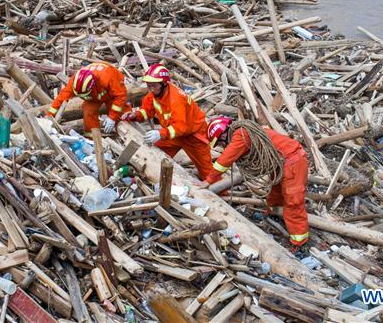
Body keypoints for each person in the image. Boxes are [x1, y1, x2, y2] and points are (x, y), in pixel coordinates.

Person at [207, 116, 310, 253]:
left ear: (224, 133)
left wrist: (208, 181)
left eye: (220, 142)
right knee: (276, 193)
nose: (222, 145)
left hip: (292, 161)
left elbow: (225, 160)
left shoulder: (241, 135)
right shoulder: (243, 131)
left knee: (293, 201)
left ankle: (300, 243)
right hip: (281, 162)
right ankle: (275, 215)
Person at [120, 63, 216, 182]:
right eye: (148, 86)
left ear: (164, 83)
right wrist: (134, 115)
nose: (151, 89)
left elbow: (181, 126)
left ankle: (221, 195)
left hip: (194, 136)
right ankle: (154, 179)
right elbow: (146, 110)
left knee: (208, 173)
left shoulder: (176, 98)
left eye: (154, 86)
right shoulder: (154, 94)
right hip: (173, 133)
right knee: (154, 155)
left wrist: (160, 134)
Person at [47, 62, 127, 134]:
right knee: (88, 111)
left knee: (121, 112)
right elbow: (60, 99)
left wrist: (112, 117)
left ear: (92, 86)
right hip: (94, 96)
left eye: (84, 95)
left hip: (109, 91)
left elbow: (120, 96)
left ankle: (127, 133)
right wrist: (49, 116)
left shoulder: (109, 77)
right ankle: (92, 138)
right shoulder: (75, 82)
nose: (83, 98)